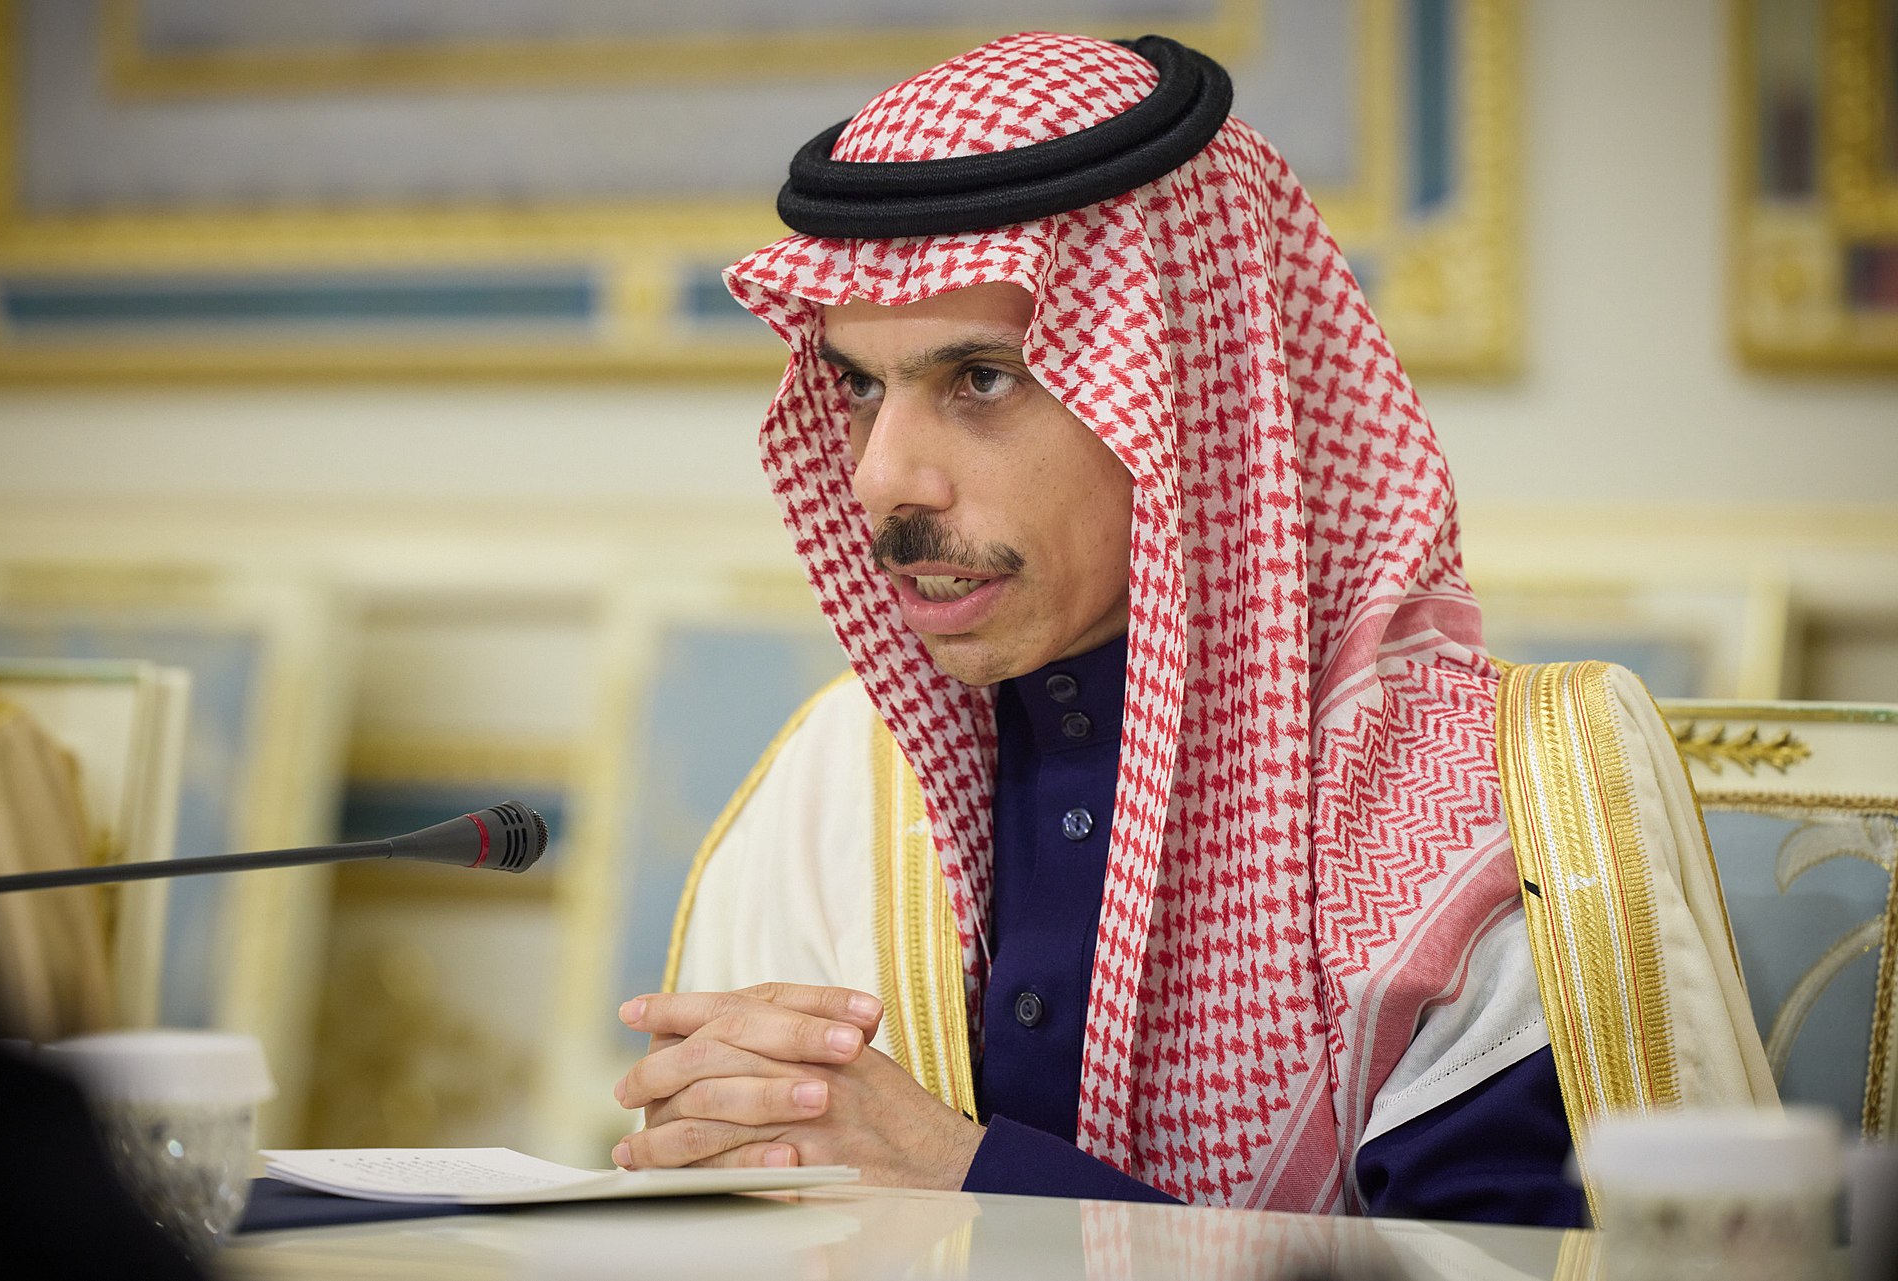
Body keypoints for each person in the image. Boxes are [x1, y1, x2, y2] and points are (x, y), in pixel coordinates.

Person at [611, 32, 1774, 1221]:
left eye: (981, 379)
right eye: (859, 385)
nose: (882, 479)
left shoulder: (1493, 800)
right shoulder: (837, 784)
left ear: (1186, 395)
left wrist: (973, 1184)